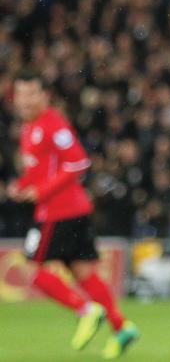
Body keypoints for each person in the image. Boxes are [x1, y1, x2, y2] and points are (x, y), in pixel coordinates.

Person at [6, 71, 139, 359]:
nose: (24, 101)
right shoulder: (30, 128)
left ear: (44, 96)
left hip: (58, 211)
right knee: (83, 272)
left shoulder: (53, 124)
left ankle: (85, 310)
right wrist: (23, 185)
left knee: (33, 271)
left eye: (31, 94)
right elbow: (41, 170)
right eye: (20, 95)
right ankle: (122, 327)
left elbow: (78, 162)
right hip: (71, 210)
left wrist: (41, 191)